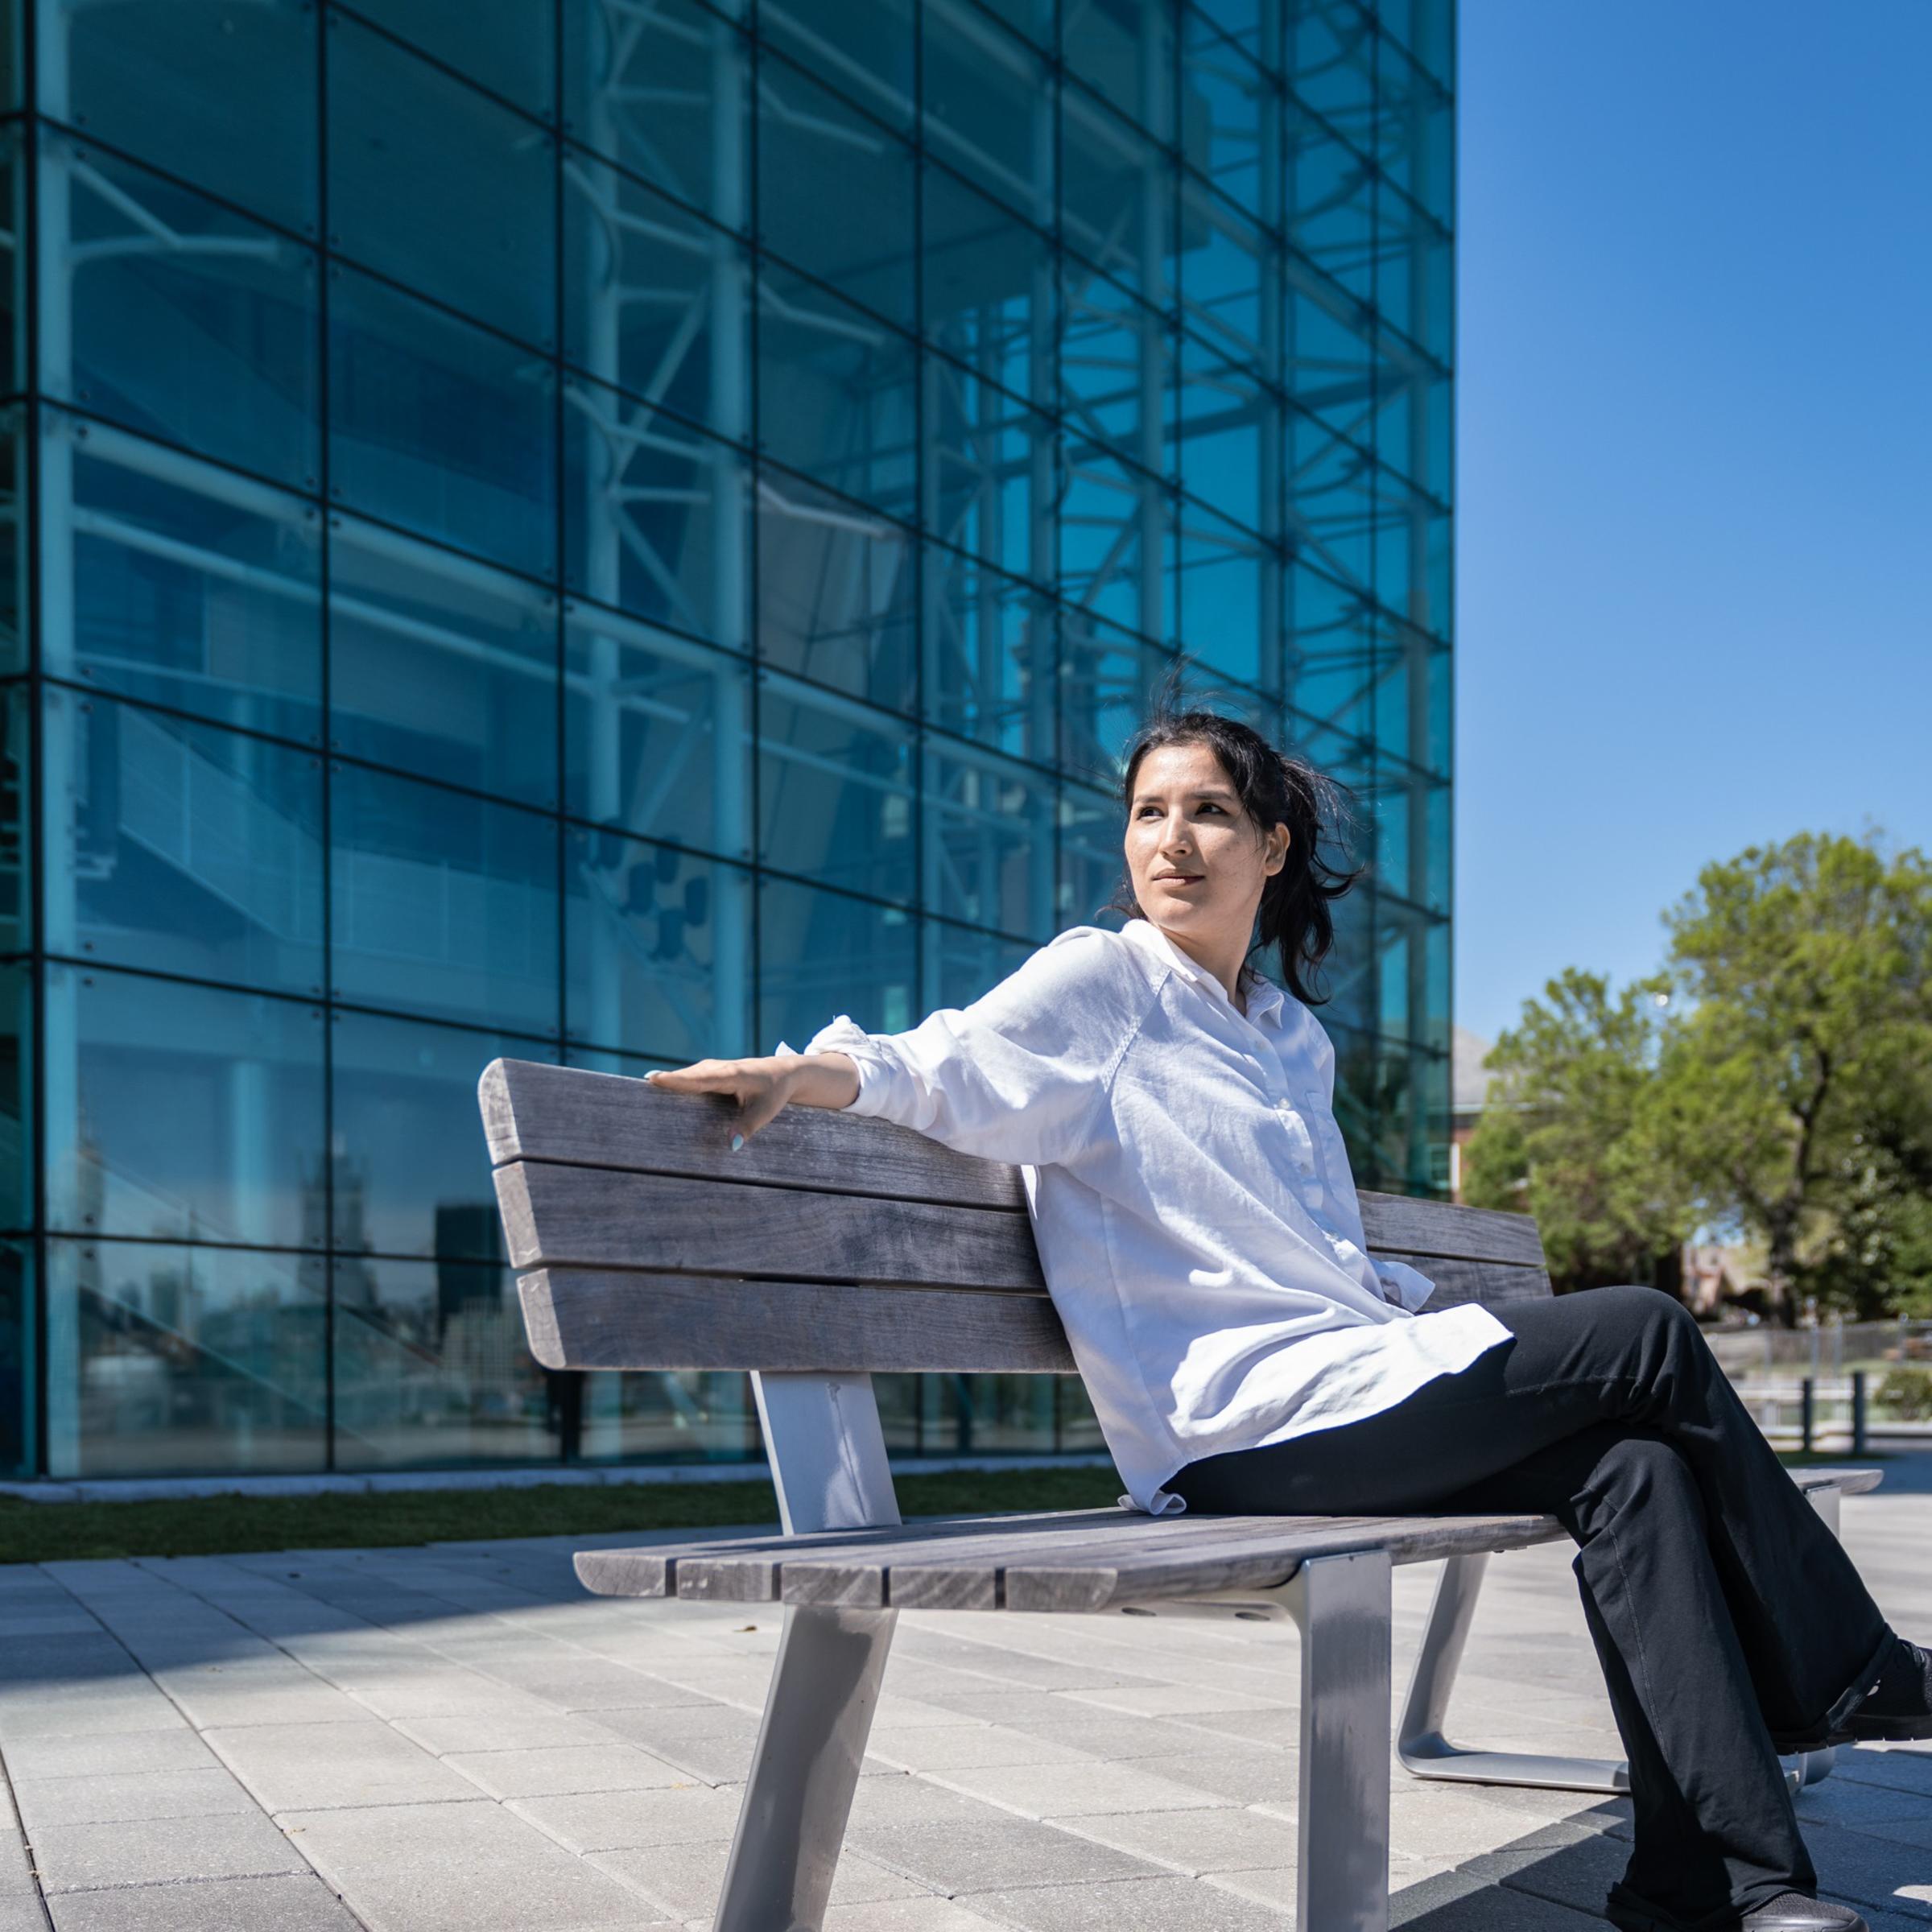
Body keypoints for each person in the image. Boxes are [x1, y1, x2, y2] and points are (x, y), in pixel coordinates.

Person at [643, 699, 1930, 1932]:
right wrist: (804, 1074)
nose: (1172, 840)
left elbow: (1317, 1254)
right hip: (1232, 1435)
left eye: (1208, 812)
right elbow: (954, 1061)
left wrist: (1412, 1308)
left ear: (1273, 848)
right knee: (1648, 1327)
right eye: (1149, 813)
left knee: (1637, 1470)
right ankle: (1850, 1675)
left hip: (1343, 1387)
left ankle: (1717, 1887)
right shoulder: (1103, 983)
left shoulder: (1285, 1037)